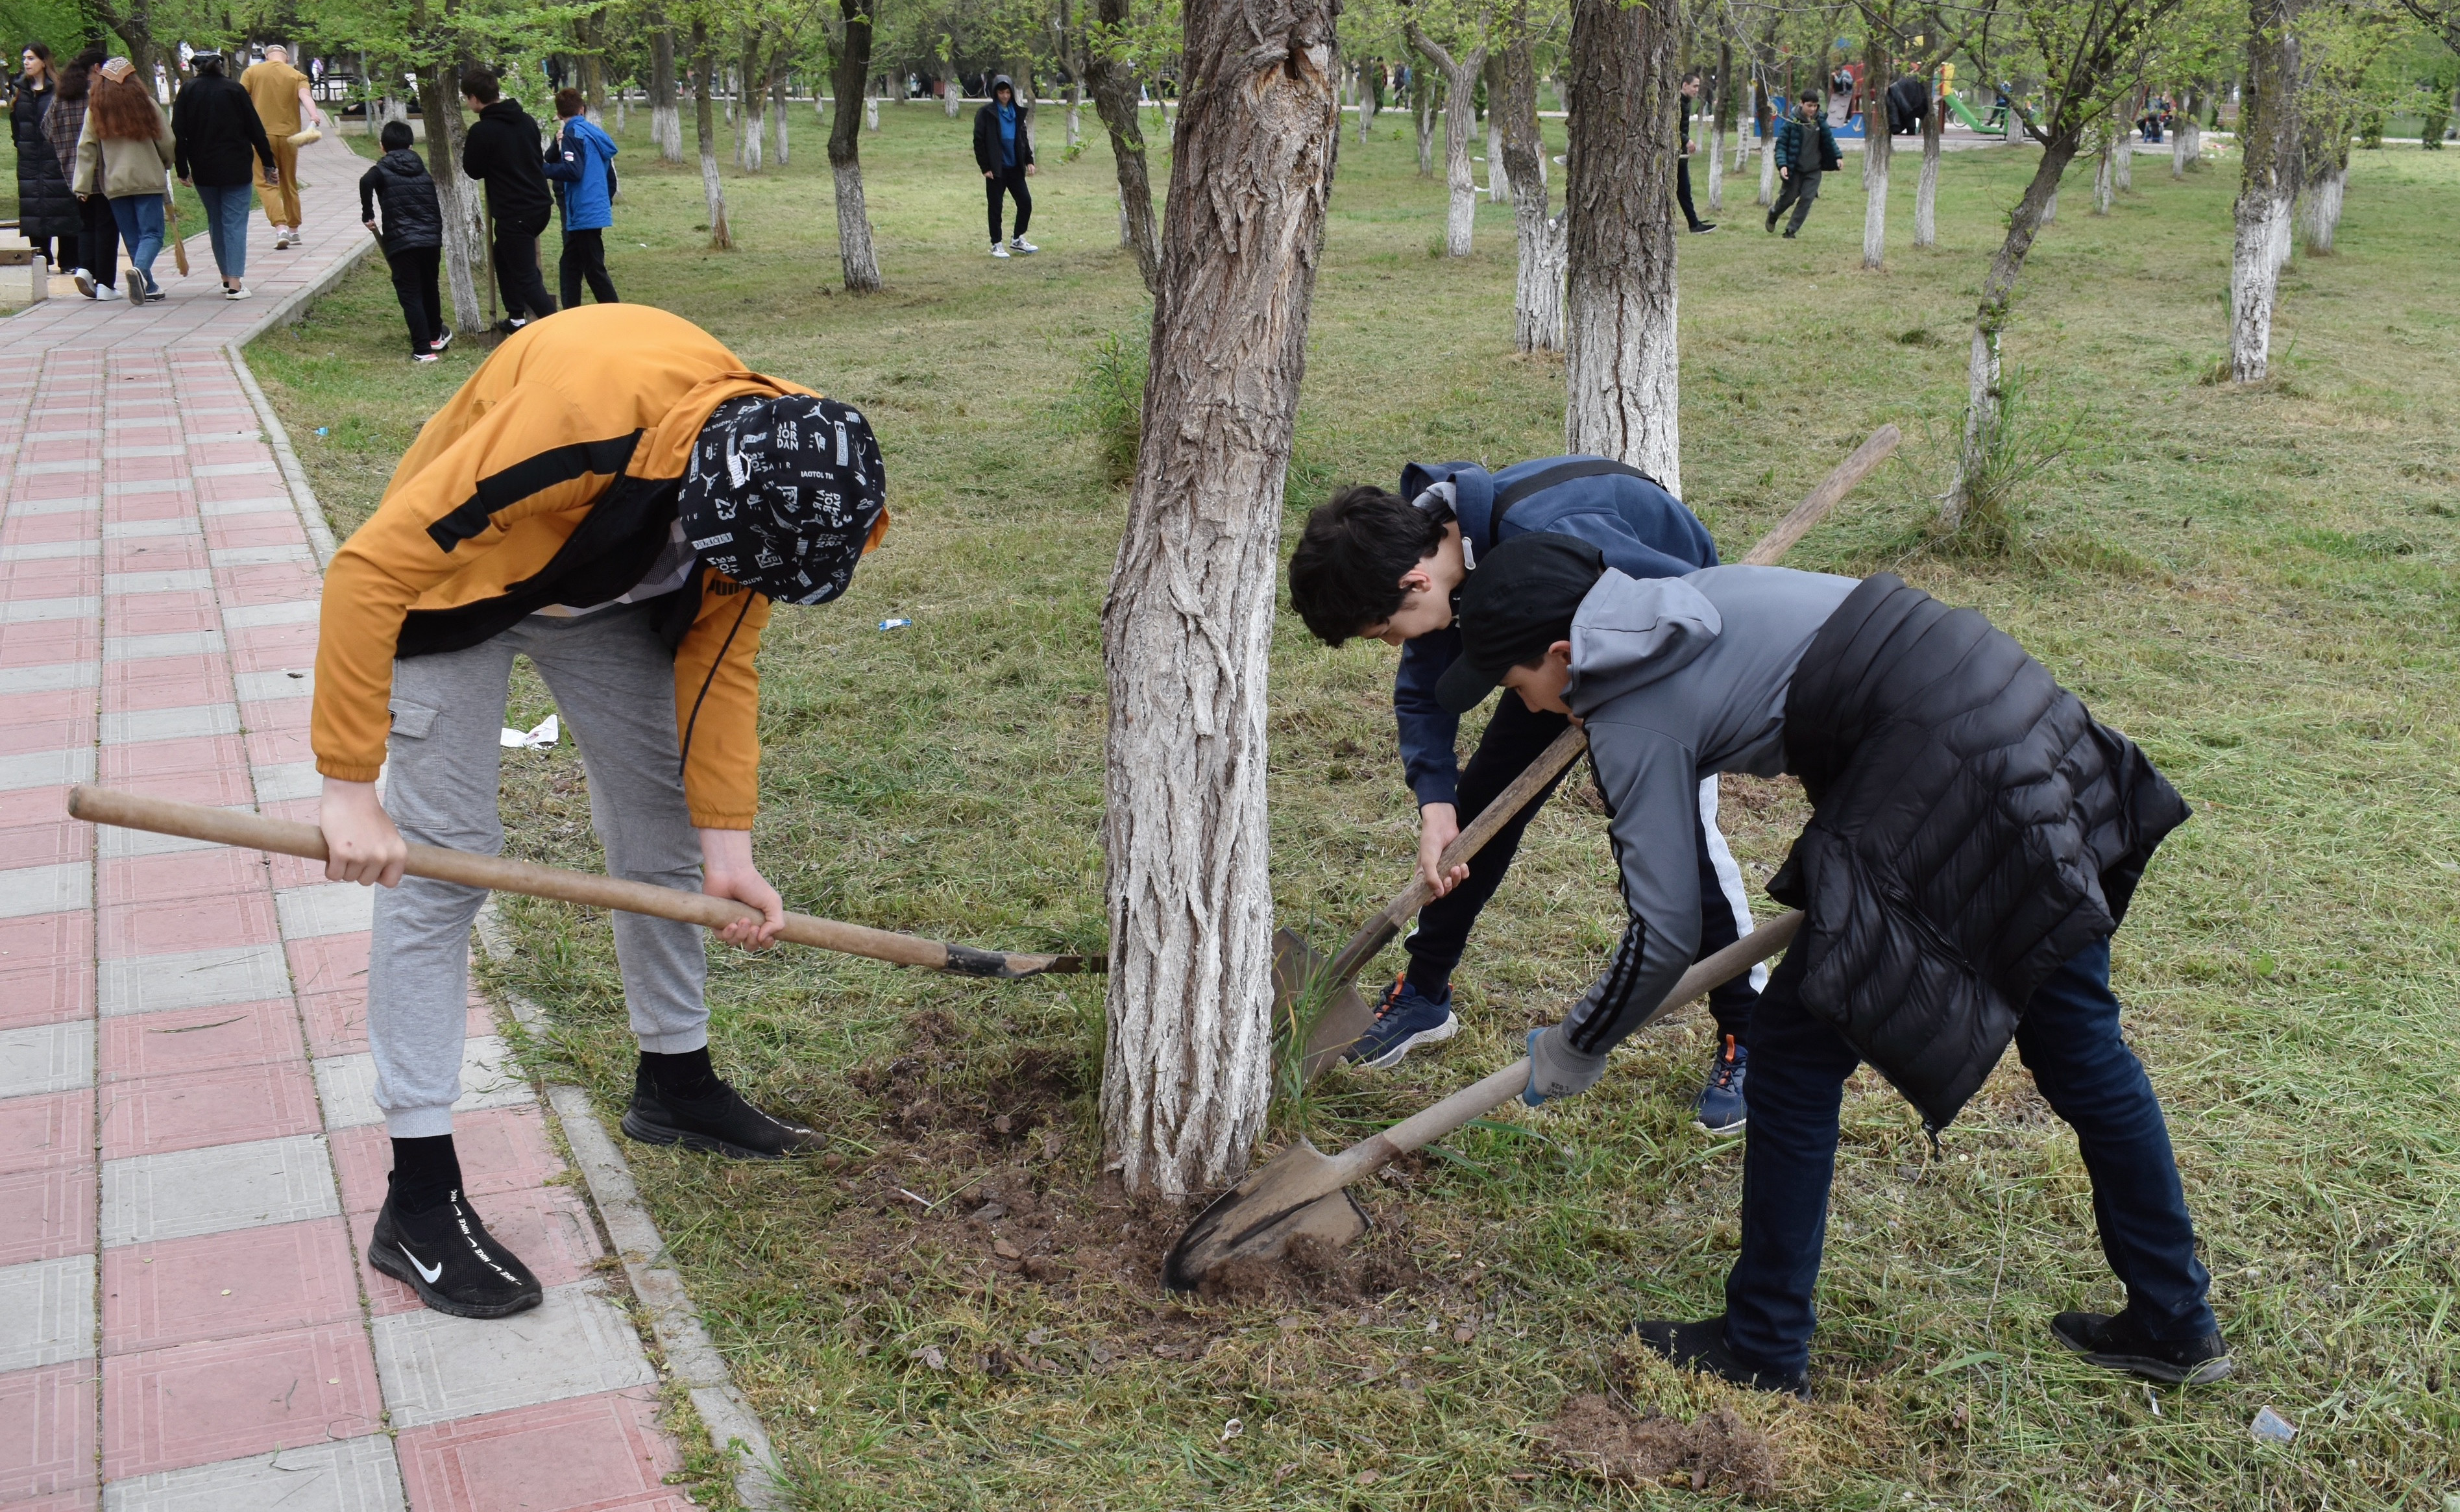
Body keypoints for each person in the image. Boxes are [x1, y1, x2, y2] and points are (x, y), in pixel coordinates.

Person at [1450, 532, 2228, 1396]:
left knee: (1789, 1056)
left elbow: (1663, 931)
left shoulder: (1625, 705)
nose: (1539, 712)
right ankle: (2174, 1319)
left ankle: (1762, 1342)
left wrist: (1575, 1044)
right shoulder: (1685, 593)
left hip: (1938, 767)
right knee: (2081, 1045)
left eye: (1522, 690)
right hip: (2013, 705)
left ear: (1562, 654)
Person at [312, 304, 892, 1318]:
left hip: (608, 589)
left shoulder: (793, 472)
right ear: (700, 490)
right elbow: (369, 570)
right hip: (460, 590)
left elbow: (720, 654)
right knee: (441, 865)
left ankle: (675, 1084)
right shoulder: (575, 429)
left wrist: (729, 846)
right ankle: (416, 1194)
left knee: (664, 834)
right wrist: (348, 791)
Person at [1287, 460, 1763, 1131]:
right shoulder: (1430, 550)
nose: (1397, 643)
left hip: (1654, 648)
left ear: (1414, 581)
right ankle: (1423, 992)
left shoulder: (1551, 529)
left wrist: (1610, 685)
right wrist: (1435, 804)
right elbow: (1425, 687)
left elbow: (1681, 601)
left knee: (1676, 840)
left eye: (1387, 630)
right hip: (1545, 650)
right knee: (1480, 810)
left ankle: (1749, 1034)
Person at [172, 49, 277, 300]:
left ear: (196, 68)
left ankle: (225, 277)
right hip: (236, 166)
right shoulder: (235, 90)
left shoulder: (187, 91)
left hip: (204, 168)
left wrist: (182, 168)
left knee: (216, 222)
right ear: (221, 66)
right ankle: (236, 283)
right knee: (234, 223)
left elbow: (179, 131)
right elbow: (255, 129)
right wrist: (269, 163)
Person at [459, 69, 557, 330]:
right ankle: (516, 318)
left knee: (527, 277)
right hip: (538, 206)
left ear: (474, 98)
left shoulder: (483, 130)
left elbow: (473, 170)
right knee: (502, 255)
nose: (466, 103)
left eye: (466, 98)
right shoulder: (526, 120)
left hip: (516, 212)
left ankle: (559, 329)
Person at [73, 57, 175, 305]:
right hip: (148, 179)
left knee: (132, 237)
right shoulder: (147, 105)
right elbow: (167, 141)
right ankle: (140, 272)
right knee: (152, 234)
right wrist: (166, 162)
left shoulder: (95, 110)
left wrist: (82, 185)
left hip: (115, 184)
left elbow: (86, 148)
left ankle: (148, 286)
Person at [358, 119, 450, 360]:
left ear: (382, 146)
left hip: (401, 240)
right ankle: (435, 336)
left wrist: (368, 215)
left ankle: (422, 350)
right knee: (429, 287)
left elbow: (365, 182)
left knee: (410, 293)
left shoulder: (381, 169)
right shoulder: (421, 167)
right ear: (411, 146)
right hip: (431, 239)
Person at [47, 47, 118, 301]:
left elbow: (46, 129)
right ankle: (106, 284)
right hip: (102, 172)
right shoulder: (97, 96)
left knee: (86, 224)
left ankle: (86, 268)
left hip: (73, 174)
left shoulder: (61, 97)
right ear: (97, 68)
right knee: (107, 226)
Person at [542, 86, 619, 308]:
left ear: (559, 114)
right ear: (582, 110)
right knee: (570, 265)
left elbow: (573, 171)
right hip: (592, 208)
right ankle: (570, 313)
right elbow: (610, 178)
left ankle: (616, 314)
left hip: (583, 211)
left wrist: (542, 170)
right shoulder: (592, 134)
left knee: (594, 269)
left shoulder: (572, 135)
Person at [240, 42, 321, 249]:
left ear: (267, 57)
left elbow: (239, 101)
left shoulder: (252, 72)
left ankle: (281, 228)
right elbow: (306, 97)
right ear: (286, 58)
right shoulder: (296, 75)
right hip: (289, 138)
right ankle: (294, 230)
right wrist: (314, 116)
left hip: (261, 138)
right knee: (288, 181)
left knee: (266, 182)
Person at [13, 45, 79, 275]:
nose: (26, 63)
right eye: (24, 59)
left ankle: (69, 260)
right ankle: (41, 257)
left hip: (56, 158)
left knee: (64, 208)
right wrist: (23, 148)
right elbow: (16, 127)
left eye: (31, 58)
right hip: (30, 160)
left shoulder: (58, 90)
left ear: (43, 61)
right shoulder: (20, 91)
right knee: (35, 208)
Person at [972, 75, 1036, 259]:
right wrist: (985, 167)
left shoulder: (1017, 113)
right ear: (995, 93)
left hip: (1014, 167)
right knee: (996, 206)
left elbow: (1022, 139)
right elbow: (979, 140)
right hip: (996, 169)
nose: (1005, 96)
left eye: (1008, 92)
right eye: (1001, 92)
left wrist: (1029, 160)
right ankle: (996, 244)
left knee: (1025, 202)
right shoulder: (986, 113)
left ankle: (1017, 239)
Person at [1766, 91, 1838, 239]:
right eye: (1809, 105)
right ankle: (1774, 213)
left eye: (1815, 106)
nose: (1812, 109)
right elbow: (1781, 146)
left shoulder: (1820, 121)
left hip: (1814, 170)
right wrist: (1783, 165)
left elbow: (1829, 141)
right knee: (1788, 199)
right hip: (1795, 169)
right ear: (1801, 103)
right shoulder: (1792, 122)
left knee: (1807, 199)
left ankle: (1791, 230)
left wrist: (1838, 157)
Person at [1676, 71, 1716, 234]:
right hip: (1676, 154)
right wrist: (1686, 140)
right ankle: (1694, 224)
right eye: (1694, 86)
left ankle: (1694, 223)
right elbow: (1671, 128)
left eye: (1698, 87)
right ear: (1685, 85)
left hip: (1680, 153)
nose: (1696, 90)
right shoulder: (1678, 103)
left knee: (1684, 189)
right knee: (1683, 189)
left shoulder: (1685, 102)